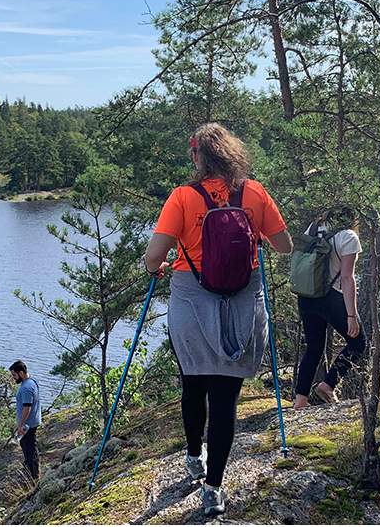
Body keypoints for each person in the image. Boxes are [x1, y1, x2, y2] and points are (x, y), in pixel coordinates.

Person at [143, 123, 293, 517]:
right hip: (243, 301)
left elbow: (152, 258)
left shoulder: (182, 197)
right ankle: (213, 488)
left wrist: (157, 264)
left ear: (197, 157)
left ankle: (194, 456)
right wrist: (252, 234)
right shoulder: (254, 192)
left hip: (191, 301)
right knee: (225, 399)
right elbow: (284, 245)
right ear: (232, 154)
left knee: (193, 384)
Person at [292, 212, 365, 409]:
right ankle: (328, 385)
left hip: (306, 295)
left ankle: (300, 399)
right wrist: (351, 316)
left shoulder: (314, 228)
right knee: (358, 343)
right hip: (331, 296)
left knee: (314, 348)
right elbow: (347, 278)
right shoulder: (348, 236)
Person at [10, 360, 41, 480]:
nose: (13, 378)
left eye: (14, 375)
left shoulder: (26, 388)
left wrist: (21, 425)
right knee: (29, 446)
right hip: (32, 421)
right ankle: (32, 470)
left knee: (29, 448)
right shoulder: (32, 382)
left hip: (28, 424)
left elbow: (27, 408)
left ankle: (32, 475)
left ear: (21, 373)